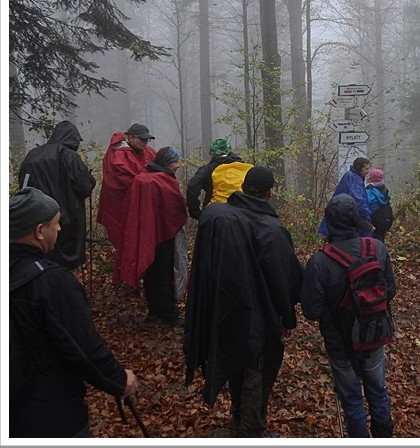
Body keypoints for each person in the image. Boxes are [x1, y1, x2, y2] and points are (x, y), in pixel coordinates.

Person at [9, 187, 138, 437]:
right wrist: (119, 380)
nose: (59, 229)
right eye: (55, 223)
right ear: (39, 231)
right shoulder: (52, 282)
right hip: (51, 416)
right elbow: (83, 345)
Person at [184, 166, 303, 438]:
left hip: (223, 309)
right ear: (269, 192)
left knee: (235, 362)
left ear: (243, 187)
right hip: (258, 315)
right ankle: (251, 431)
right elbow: (284, 278)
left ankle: (238, 418)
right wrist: (288, 318)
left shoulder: (217, 217)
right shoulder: (271, 230)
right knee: (255, 369)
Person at [302, 193, 397, 438]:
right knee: (378, 391)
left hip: (339, 342)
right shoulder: (376, 248)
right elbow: (390, 291)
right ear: (356, 218)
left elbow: (311, 311)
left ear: (329, 221)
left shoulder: (319, 261)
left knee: (352, 399)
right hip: (374, 333)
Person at [120, 147, 188, 327]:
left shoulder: (141, 179)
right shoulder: (163, 181)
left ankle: (153, 311)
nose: (177, 166)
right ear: (166, 163)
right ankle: (168, 314)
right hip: (164, 235)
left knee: (150, 271)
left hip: (146, 235)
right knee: (165, 273)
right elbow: (177, 208)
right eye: (175, 162)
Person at [17, 120, 96, 269]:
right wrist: (91, 181)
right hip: (66, 219)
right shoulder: (70, 156)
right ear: (73, 139)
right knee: (64, 262)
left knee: (39, 260)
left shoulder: (33, 154)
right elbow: (84, 188)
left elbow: (23, 184)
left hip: (34, 218)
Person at [96, 122, 156, 285]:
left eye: (147, 140)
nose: (145, 143)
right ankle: (127, 277)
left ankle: (138, 273)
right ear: (130, 137)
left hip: (140, 205)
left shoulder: (146, 151)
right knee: (126, 241)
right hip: (121, 207)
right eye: (142, 139)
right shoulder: (117, 154)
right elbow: (123, 179)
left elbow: (157, 165)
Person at [186, 138, 245, 220]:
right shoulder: (242, 167)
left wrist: (195, 212)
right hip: (242, 214)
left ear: (212, 155)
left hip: (215, 214)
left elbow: (193, 186)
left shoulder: (207, 169)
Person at [319, 157, 374, 237]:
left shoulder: (350, 176)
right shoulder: (355, 180)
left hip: (338, 217)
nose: (368, 171)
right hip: (347, 220)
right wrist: (366, 220)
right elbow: (359, 202)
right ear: (360, 168)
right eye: (366, 169)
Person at [366, 168, 394, 243]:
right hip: (385, 220)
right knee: (381, 238)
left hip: (374, 221)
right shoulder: (385, 190)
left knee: (373, 241)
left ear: (370, 178)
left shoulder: (368, 191)